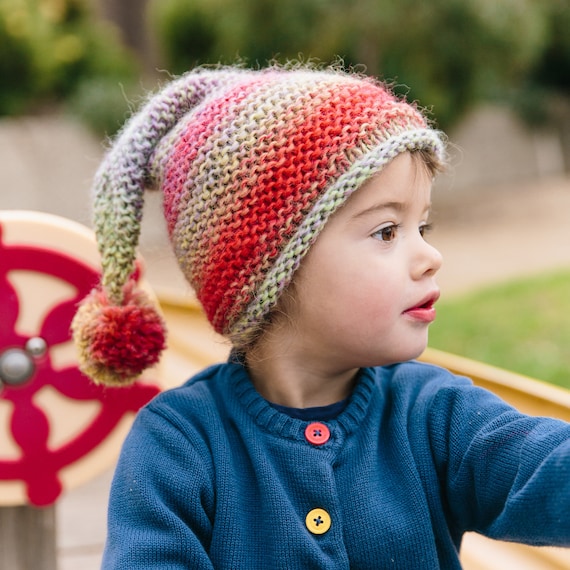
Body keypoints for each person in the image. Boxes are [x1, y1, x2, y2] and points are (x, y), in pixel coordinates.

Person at [71, 64, 570, 569]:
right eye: (387, 231)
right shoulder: (178, 445)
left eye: (424, 226)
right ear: (271, 267)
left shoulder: (436, 415)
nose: (429, 256)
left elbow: (546, 468)